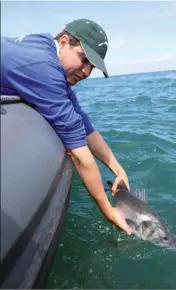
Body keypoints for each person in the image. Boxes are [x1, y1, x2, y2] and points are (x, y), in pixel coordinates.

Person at [1, 18, 132, 235]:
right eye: (84, 59)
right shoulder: (44, 69)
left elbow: (82, 123)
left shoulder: (45, 49)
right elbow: (78, 153)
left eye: (93, 66)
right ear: (63, 41)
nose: (87, 72)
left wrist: (118, 169)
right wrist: (109, 210)